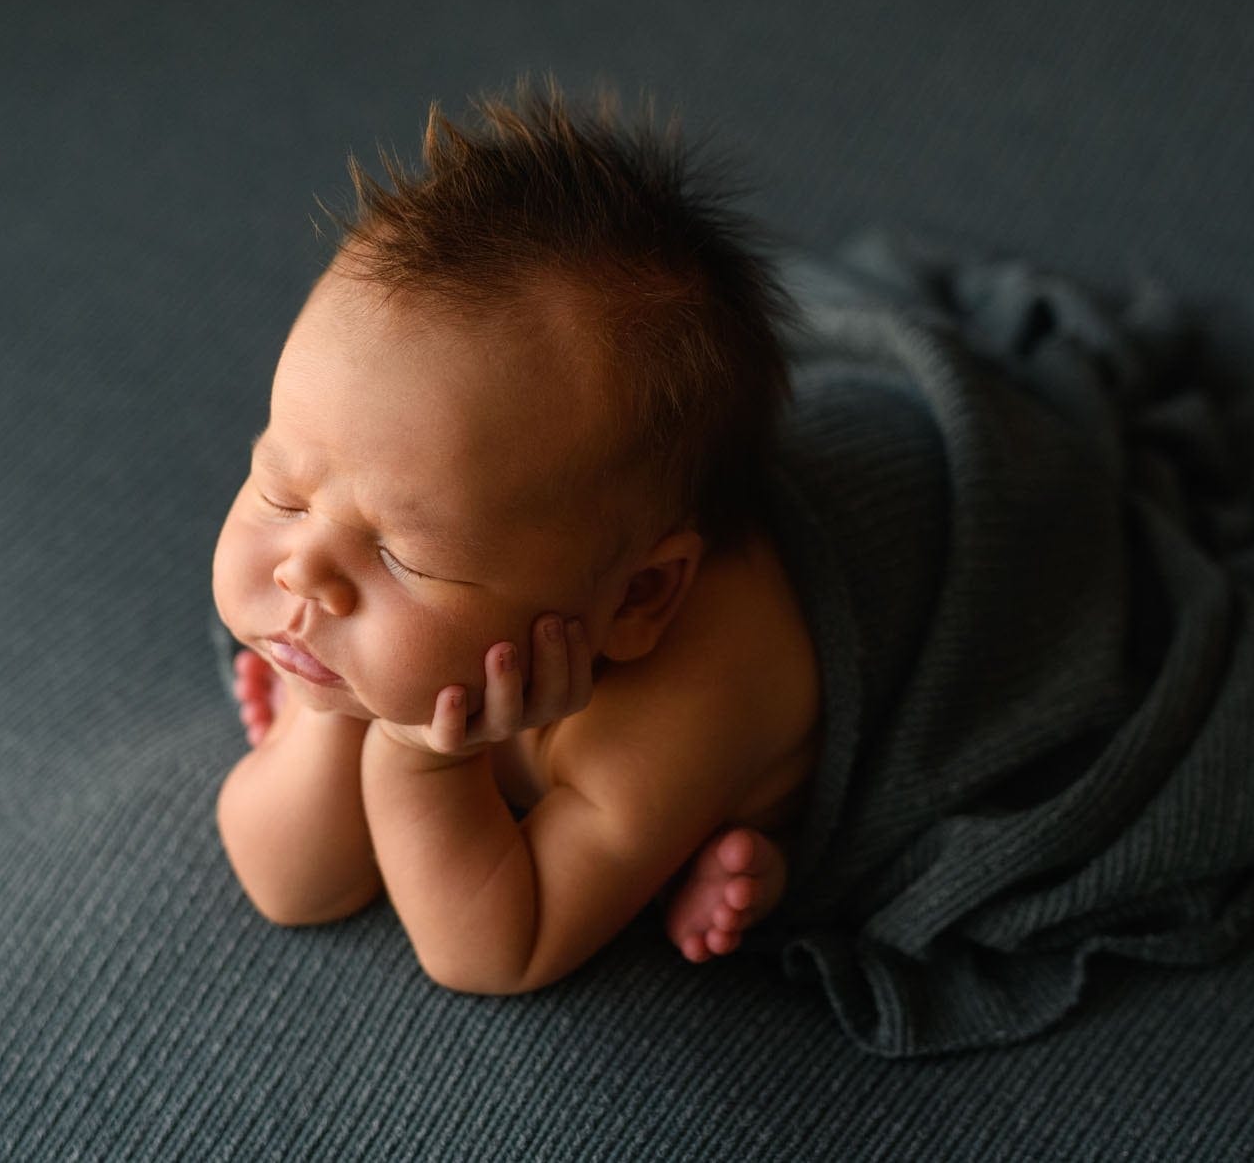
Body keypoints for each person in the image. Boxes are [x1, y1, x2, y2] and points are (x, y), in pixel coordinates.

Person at [210, 80, 821, 992]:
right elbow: (292, 886)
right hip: (464, 648)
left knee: (788, 858)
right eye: (282, 490)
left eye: (402, 554)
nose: (302, 569)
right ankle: (635, 858)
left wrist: (422, 760)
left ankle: (731, 855)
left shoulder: (679, 706)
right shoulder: (378, 596)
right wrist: (340, 714)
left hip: (771, 715)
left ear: (637, 598)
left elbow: (497, 951)